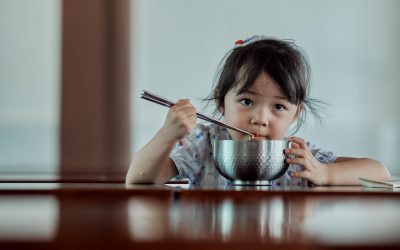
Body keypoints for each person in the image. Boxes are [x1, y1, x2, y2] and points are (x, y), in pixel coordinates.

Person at [126, 35, 390, 186]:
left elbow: (380, 172)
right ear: (221, 102)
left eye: (278, 107)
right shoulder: (203, 144)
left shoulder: (296, 156)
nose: (260, 119)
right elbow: (139, 181)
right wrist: (166, 135)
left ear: (295, 114)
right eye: (247, 102)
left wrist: (324, 172)